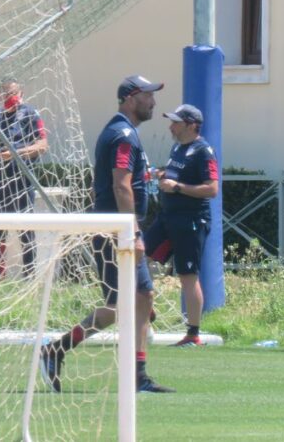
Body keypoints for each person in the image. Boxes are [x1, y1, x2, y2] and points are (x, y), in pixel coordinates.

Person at [40, 75, 175, 393]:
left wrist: (149, 175)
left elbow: (119, 179)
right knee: (122, 305)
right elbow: (120, 185)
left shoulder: (123, 133)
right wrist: (133, 232)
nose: (154, 102)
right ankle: (56, 350)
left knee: (140, 299)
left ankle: (137, 374)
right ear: (131, 98)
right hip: (117, 230)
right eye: (148, 96)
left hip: (116, 227)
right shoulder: (123, 134)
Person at [144, 103, 219, 347]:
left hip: (191, 221)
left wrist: (177, 187)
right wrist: (162, 175)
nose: (170, 126)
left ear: (190, 125)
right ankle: (146, 307)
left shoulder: (203, 151)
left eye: (176, 122)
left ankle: (193, 334)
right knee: (136, 256)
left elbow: (212, 188)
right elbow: (177, 175)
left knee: (187, 276)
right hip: (168, 216)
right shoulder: (178, 148)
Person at [0, 78, 48, 279]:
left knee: (25, 230)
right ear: (0, 96)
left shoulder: (30, 113)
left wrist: (16, 153)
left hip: (22, 181)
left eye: (15, 93)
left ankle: (28, 276)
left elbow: (42, 145)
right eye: (7, 94)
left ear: (21, 94)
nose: (12, 98)